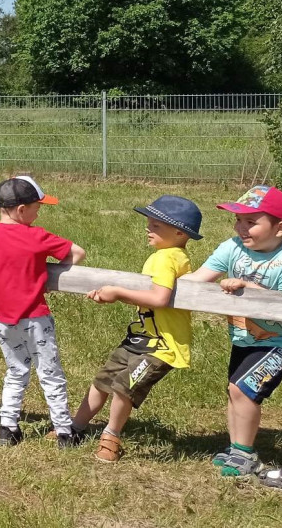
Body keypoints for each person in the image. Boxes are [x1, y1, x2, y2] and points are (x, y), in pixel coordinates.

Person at [69, 195, 201, 462]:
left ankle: (111, 436)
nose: (148, 229)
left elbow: (160, 299)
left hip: (163, 346)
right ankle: (73, 427)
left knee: (122, 386)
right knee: (102, 380)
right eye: (149, 223)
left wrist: (117, 293)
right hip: (142, 339)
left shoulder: (167, 258)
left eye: (156, 226)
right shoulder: (166, 255)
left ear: (179, 232)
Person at [177, 186, 282, 479]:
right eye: (238, 220)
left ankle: (245, 455)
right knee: (235, 390)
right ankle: (236, 448)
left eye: (251, 222)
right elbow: (199, 279)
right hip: (244, 336)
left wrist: (250, 288)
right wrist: (163, 285)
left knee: (242, 390)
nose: (241, 228)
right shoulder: (231, 247)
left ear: (280, 228)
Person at [0, 176, 86, 448]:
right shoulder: (36, 235)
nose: (39, 212)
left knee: (16, 369)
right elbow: (77, 253)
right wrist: (47, 275)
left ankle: (8, 427)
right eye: (37, 207)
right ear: (21, 210)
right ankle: (64, 431)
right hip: (36, 318)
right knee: (50, 373)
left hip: (2, 318)